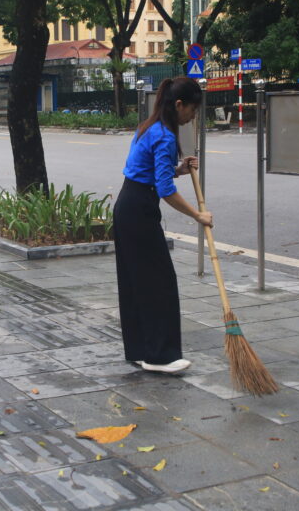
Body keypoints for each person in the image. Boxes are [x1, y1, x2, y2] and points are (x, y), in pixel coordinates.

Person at [114, 77, 212, 374]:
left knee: (137, 283)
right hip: (140, 210)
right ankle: (160, 357)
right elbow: (165, 190)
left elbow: (152, 171)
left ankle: (141, 351)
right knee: (159, 283)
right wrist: (198, 215)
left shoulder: (150, 126)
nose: (193, 116)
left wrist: (178, 169)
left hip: (128, 205)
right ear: (179, 105)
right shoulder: (166, 136)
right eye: (192, 110)